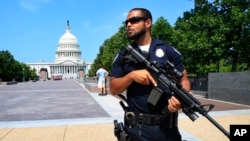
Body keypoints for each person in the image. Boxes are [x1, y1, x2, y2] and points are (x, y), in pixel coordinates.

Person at [110, 8, 191, 141]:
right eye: (127, 22)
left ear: (148, 23)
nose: (128, 25)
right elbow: (113, 88)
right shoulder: (123, 55)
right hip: (138, 130)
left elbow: (184, 80)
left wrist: (180, 100)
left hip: (168, 130)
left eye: (134, 20)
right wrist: (131, 76)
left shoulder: (167, 50)